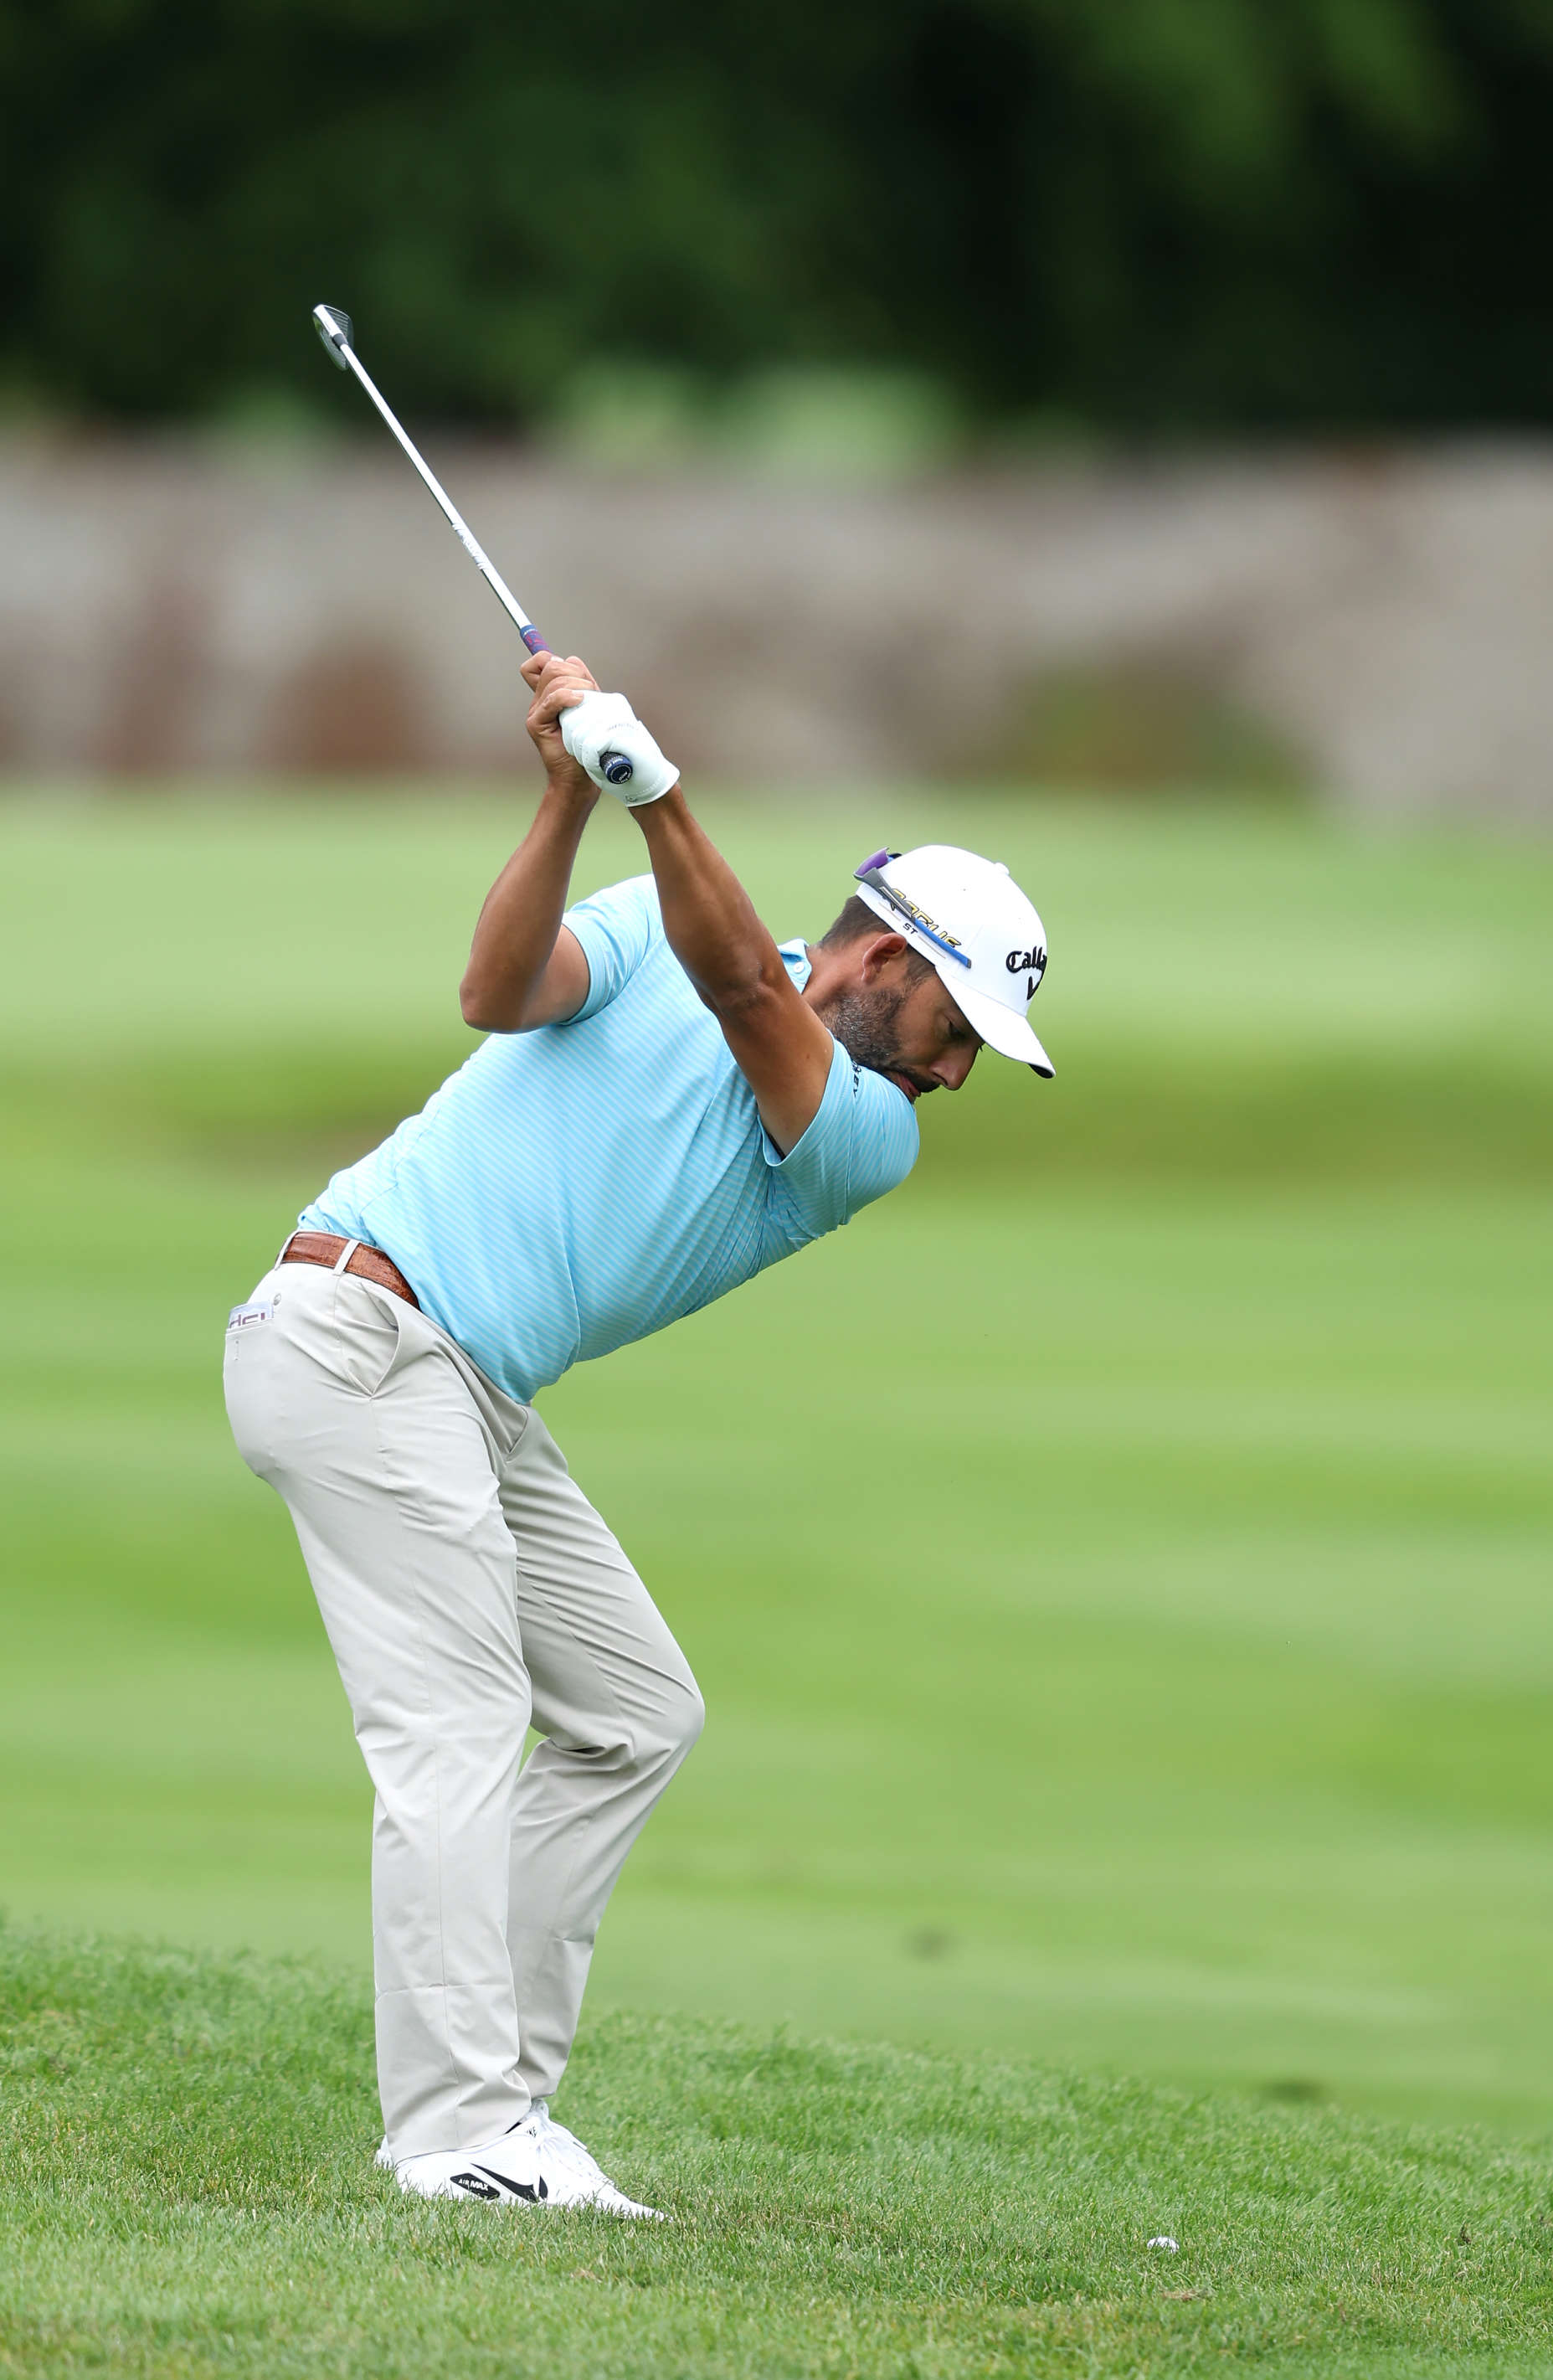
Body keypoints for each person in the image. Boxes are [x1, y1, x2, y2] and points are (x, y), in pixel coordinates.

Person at [223, 647, 1052, 2215]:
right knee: (459, 1728)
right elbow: (493, 995)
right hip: (356, 1331)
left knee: (634, 1710)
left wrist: (656, 794)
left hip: (467, 1386)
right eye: (959, 1025)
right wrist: (568, 803)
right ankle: (456, 2131)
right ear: (887, 956)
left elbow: (744, 987)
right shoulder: (642, 927)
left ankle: (508, 2109)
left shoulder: (862, 1131)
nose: (957, 1071)